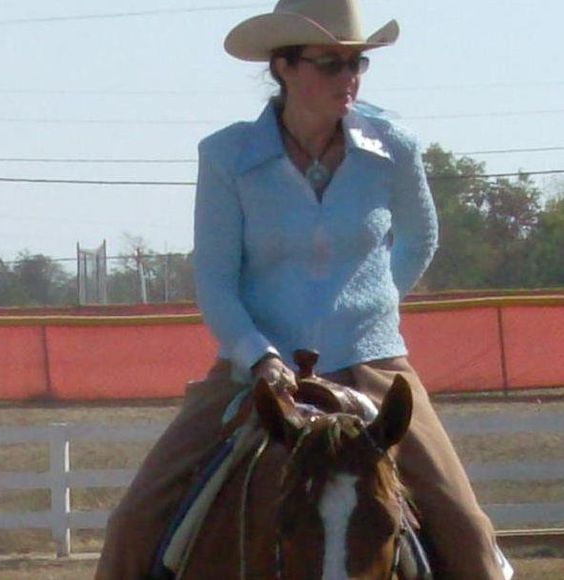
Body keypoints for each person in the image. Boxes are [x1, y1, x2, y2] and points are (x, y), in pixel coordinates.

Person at [96, 1, 511, 578]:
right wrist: (260, 357)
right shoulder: (227, 156)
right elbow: (215, 281)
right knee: (132, 524)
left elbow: (421, 238)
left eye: (357, 63)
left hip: (374, 365)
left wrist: (369, 311)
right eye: (330, 63)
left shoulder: (395, 147)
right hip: (254, 374)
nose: (349, 78)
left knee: (468, 532)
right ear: (284, 66)